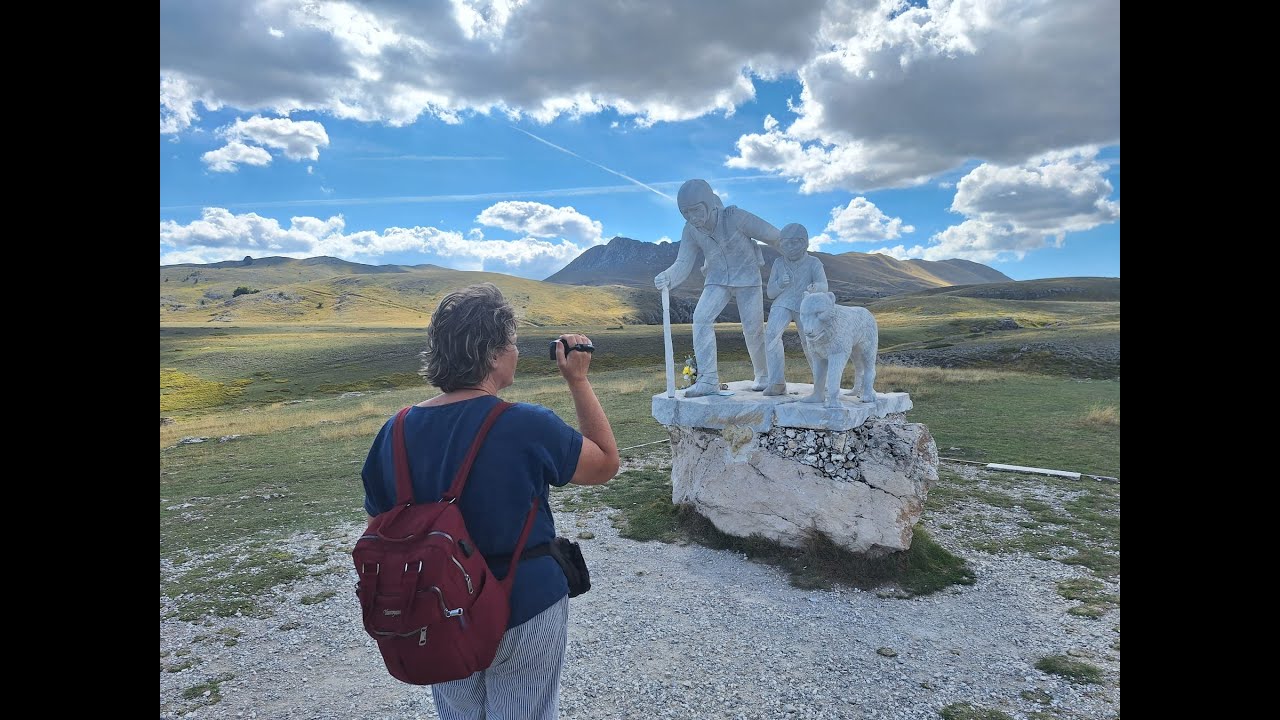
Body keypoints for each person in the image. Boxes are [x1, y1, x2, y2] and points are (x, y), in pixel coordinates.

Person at [360, 283, 619, 720]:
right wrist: (578, 379)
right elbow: (605, 464)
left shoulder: (395, 430)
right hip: (525, 602)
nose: (515, 352)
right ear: (494, 354)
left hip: (433, 603)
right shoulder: (526, 424)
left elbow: (378, 522)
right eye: (512, 343)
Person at [654, 179, 781, 397]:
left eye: (696, 211)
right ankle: (708, 380)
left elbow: (773, 235)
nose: (693, 218)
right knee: (701, 318)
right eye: (686, 213)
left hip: (748, 278)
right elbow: (683, 264)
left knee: (753, 330)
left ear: (708, 204)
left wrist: (797, 261)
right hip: (717, 279)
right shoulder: (691, 231)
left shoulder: (735, 217)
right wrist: (667, 276)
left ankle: (763, 374)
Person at [762, 223, 828, 396]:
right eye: (785, 243)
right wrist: (779, 284)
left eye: (794, 242)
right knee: (770, 336)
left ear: (804, 243)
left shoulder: (814, 263)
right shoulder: (778, 263)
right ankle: (776, 383)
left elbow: (824, 286)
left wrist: (816, 287)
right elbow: (770, 293)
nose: (790, 247)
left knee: (810, 341)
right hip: (783, 302)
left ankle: (822, 384)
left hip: (805, 304)